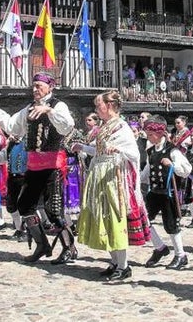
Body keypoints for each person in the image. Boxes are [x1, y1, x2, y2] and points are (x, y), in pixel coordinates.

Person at [0, 72, 76, 264]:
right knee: (25, 206)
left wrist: (49, 111)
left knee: (54, 211)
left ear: (51, 87)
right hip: (34, 165)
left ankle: (69, 248)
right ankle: (42, 244)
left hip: (53, 164)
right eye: (34, 86)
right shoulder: (28, 108)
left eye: (39, 86)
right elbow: (13, 128)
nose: (35, 89)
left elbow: (67, 127)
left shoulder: (58, 105)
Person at [74, 91, 149, 281]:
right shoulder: (105, 126)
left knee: (114, 217)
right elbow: (99, 151)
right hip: (100, 175)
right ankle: (115, 261)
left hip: (114, 178)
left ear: (110, 106)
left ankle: (124, 266)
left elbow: (133, 152)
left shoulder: (122, 127)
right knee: (103, 217)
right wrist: (83, 148)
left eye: (99, 105)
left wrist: (119, 149)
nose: (97, 109)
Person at [141, 115, 192, 271]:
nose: (148, 137)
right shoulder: (150, 151)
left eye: (150, 134)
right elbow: (147, 170)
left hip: (169, 192)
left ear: (160, 132)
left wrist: (172, 165)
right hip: (154, 192)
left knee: (171, 225)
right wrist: (138, 183)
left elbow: (187, 170)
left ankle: (181, 255)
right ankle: (160, 248)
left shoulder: (173, 150)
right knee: (143, 219)